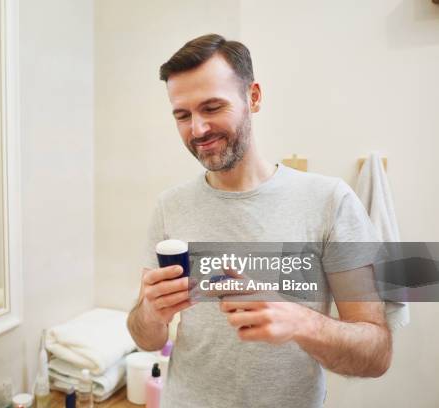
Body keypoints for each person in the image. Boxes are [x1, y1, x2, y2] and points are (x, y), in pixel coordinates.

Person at [126, 34, 392, 408]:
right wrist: (151, 314)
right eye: (182, 115)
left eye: (212, 107)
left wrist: (301, 323)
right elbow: (145, 338)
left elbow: (377, 353)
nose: (198, 130)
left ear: (253, 97)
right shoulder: (170, 206)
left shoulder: (329, 202)